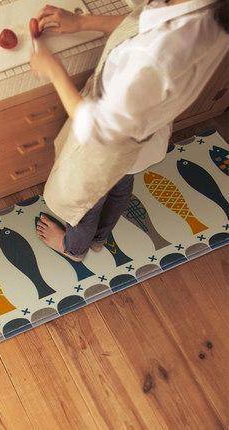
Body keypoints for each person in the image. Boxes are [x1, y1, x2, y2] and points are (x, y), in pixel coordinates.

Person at [31, 0, 229, 262]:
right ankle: (100, 237)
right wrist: (82, 22)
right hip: (144, 140)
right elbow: (145, 24)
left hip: (110, 148)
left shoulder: (160, 56)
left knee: (87, 205)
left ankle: (75, 248)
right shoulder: (211, 11)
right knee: (120, 186)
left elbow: (97, 129)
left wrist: (54, 71)